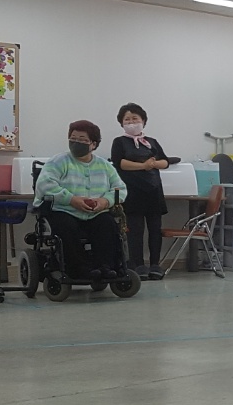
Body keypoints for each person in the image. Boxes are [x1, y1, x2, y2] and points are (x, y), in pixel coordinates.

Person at [33, 120, 128, 279]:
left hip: (95, 212)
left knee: (107, 224)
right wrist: (72, 199)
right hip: (64, 210)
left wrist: (104, 202)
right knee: (66, 226)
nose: (76, 143)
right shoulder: (59, 161)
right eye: (73, 139)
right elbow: (44, 185)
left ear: (93, 144)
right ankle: (79, 269)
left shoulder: (105, 166)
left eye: (82, 140)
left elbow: (120, 189)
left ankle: (105, 267)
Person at [110, 103, 172, 280]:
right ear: (121, 123)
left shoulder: (151, 142)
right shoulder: (119, 142)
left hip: (153, 192)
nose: (131, 122)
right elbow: (119, 163)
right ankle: (137, 265)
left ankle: (155, 264)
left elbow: (165, 162)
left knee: (155, 229)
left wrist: (153, 164)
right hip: (132, 192)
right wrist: (144, 165)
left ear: (143, 121)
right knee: (135, 231)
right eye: (127, 120)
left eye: (135, 118)